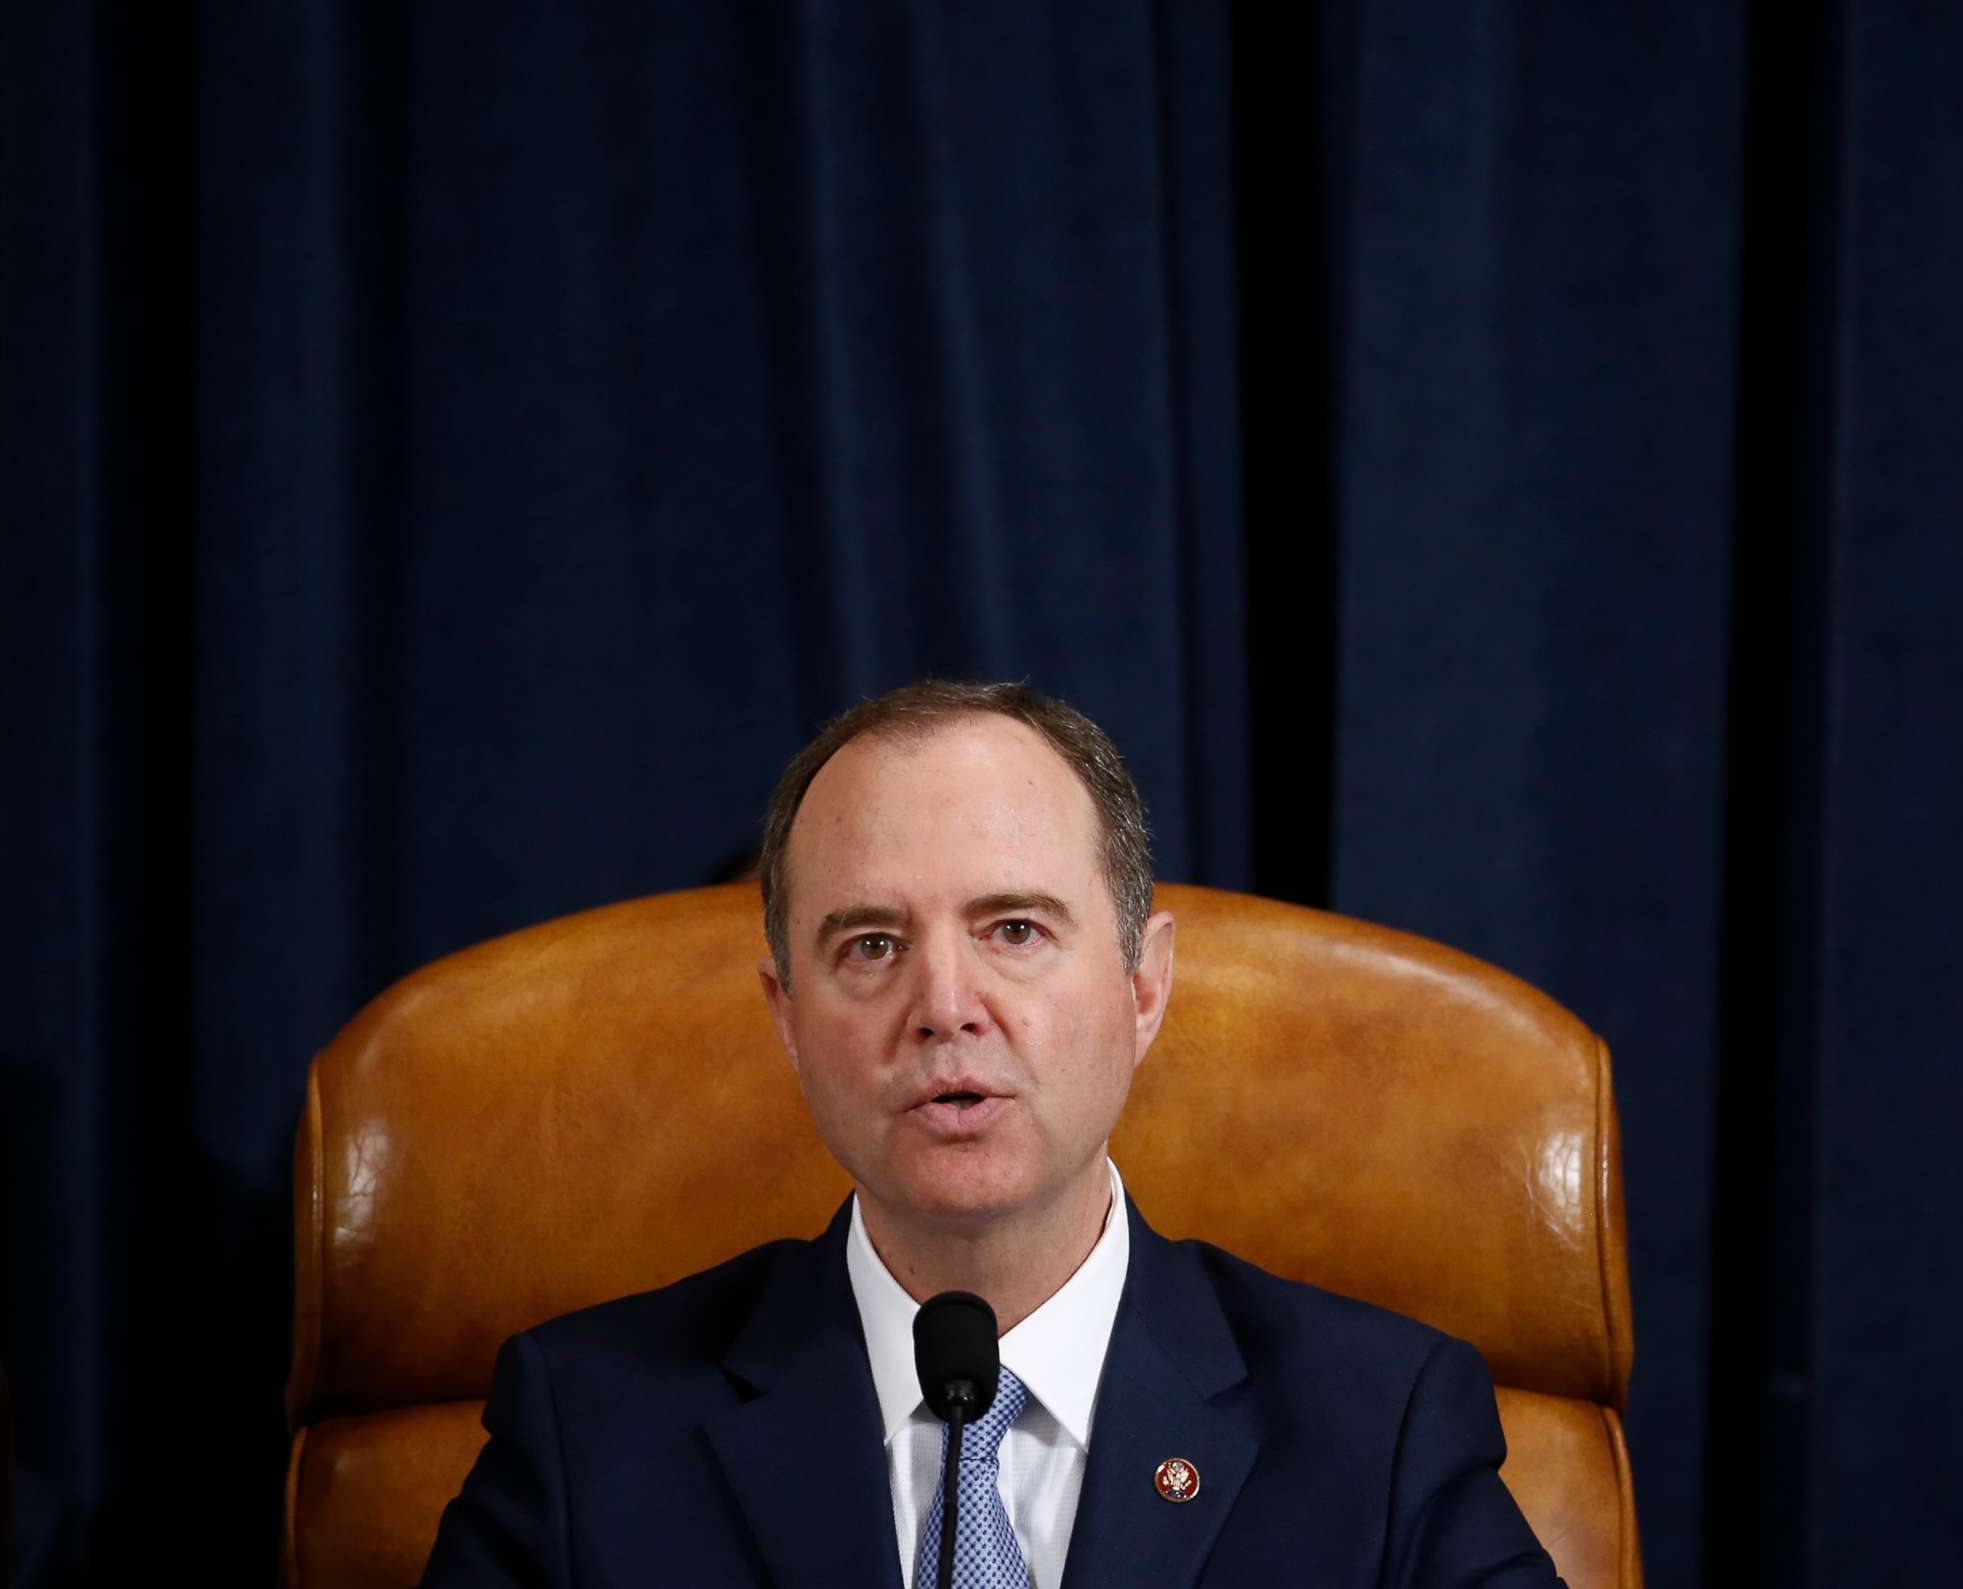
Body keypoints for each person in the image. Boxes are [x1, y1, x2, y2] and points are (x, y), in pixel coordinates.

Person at [420, 680, 1563, 1588]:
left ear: (1144, 985)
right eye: (870, 944)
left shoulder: (1381, 1425)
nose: (945, 1005)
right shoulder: (589, 1428)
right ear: (787, 1018)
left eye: (1014, 928)